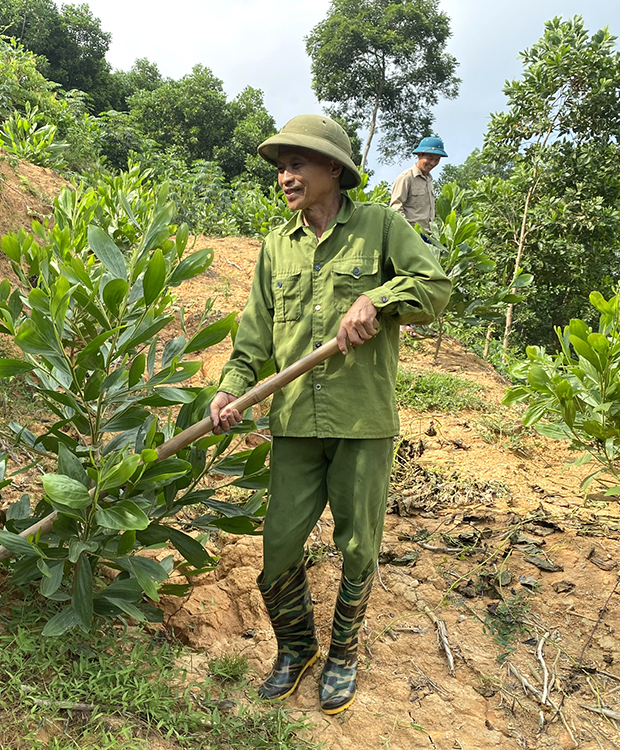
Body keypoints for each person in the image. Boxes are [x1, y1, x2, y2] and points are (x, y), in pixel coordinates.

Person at [209, 115, 450, 715]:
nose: (286, 176)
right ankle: (298, 648)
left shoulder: (381, 226)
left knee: (359, 546)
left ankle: (343, 653)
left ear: (333, 170)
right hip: (292, 421)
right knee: (278, 548)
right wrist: (230, 389)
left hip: (361, 421)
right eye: (282, 166)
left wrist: (379, 297)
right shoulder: (276, 246)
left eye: (298, 164)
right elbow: (252, 339)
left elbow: (436, 289)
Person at [389, 136, 448, 234]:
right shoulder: (406, 177)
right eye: (430, 158)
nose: (433, 163)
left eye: (437, 159)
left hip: (428, 235)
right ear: (419, 155)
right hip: (410, 234)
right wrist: (409, 233)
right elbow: (395, 209)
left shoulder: (429, 179)